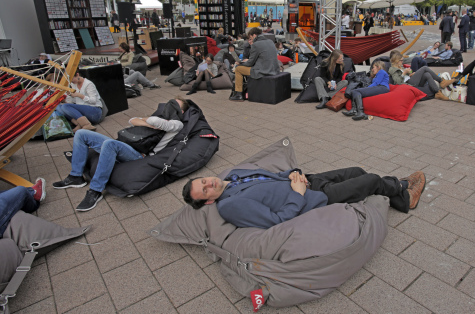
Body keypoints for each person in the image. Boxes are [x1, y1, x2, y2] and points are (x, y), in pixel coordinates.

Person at [52, 98, 189, 211]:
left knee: (109, 144)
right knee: (81, 134)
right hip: (128, 145)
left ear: (180, 111)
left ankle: (95, 190)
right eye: (169, 102)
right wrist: (146, 122)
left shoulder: (176, 124)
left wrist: (148, 121)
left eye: (174, 104)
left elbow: (154, 122)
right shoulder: (162, 118)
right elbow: (132, 120)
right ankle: (76, 176)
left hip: (139, 155)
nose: (169, 105)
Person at [182, 166, 427, 229]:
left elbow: (274, 175)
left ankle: (400, 200)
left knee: (356, 173)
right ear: (209, 201)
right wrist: (298, 194)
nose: (209, 184)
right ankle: (403, 187)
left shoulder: (233, 175)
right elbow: (275, 220)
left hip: (309, 180)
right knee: (371, 179)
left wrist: (292, 174)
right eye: (205, 191)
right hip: (314, 198)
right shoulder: (230, 206)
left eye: (203, 181)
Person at [230, 28, 279, 101]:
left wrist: (241, 63)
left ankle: (238, 95)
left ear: (254, 35)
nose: (251, 39)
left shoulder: (256, 45)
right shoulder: (270, 41)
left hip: (263, 70)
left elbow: (250, 63)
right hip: (274, 69)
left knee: (238, 69)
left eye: (251, 37)